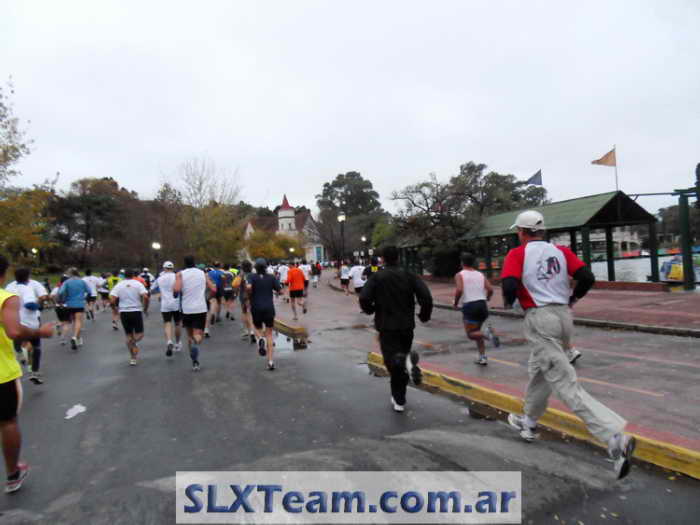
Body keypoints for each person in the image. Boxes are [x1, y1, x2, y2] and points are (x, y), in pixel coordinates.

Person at [501, 210, 635, 479]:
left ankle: (613, 438)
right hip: (563, 317)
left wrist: (511, 303)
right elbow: (587, 277)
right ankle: (529, 422)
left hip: (540, 318)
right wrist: (573, 298)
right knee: (541, 371)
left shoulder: (517, 254)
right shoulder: (561, 252)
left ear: (522, 232)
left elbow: (509, 284)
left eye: (518, 231)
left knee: (563, 381)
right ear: (542, 231)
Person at [0, 254, 54, 493]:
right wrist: (40, 332)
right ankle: (13, 474)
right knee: (7, 422)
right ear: (4, 273)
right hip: (2, 373)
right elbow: (13, 331)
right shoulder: (6, 298)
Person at [359, 246, 433, 413]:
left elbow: (364, 297)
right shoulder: (409, 275)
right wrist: (424, 315)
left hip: (386, 326)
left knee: (392, 362)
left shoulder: (377, 277)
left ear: (383, 259)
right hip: (406, 325)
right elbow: (426, 297)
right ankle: (400, 395)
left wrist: (371, 310)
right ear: (398, 258)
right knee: (401, 360)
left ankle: (399, 395)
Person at [453, 253, 499, 366]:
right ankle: (482, 357)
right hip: (482, 305)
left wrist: (455, 303)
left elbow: (459, 289)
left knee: (471, 334)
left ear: (462, 263)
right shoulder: (480, 274)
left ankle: (488, 334)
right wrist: (488, 298)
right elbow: (490, 289)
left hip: (470, 306)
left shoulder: (460, 275)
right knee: (477, 332)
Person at [6, 268, 49, 384]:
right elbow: (29, 304)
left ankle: (19, 352)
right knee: (36, 347)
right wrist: (38, 306)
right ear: (27, 277)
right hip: (30, 321)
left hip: (14, 320)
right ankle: (34, 372)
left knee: (19, 339)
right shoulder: (27, 288)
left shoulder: (9, 287)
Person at [174, 256, 216, 371]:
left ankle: (194, 362)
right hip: (200, 308)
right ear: (194, 263)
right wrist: (208, 297)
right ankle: (195, 342)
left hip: (186, 309)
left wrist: (176, 290)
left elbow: (176, 290)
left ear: (185, 263)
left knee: (189, 335)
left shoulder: (180, 274)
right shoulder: (202, 273)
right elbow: (213, 289)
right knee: (198, 335)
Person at [109, 269, 150, 366]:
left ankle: (133, 358)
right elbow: (146, 297)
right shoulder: (137, 284)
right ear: (133, 275)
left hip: (124, 312)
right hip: (136, 311)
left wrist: (114, 309)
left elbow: (112, 300)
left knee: (128, 335)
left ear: (124, 275)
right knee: (140, 334)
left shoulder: (119, 285)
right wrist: (145, 308)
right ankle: (133, 343)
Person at [247, 258, 281, 370]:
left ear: (255, 268)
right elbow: (280, 290)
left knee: (257, 328)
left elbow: (249, 287)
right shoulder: (271, 277)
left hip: (256, 307)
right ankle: (270, 362)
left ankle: (261, 339)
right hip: (269, 308)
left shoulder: (251, 276)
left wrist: (249, 293)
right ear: (266, 267)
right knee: (270, 334)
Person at [152, 261, 182, 356]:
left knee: (167, 323)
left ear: (164, 268)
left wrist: (160, 293)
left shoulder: (160, 278)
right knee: (177, 323)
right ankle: (177, 343)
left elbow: (151, 289)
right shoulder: (177, 277)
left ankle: (169, 341)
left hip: (165, 304)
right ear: (172, 268)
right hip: (176, 303)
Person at [58, 268, 90, 350]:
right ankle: (75, 337)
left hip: (69, 304)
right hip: (79, 304)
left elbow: (60, 292)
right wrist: (84, 297)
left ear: (70, 274)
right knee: (78, 321)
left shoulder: (67, 282)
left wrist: (63, 299)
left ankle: (78, 339)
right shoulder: (82, 281)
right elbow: (89, 291)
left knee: (73, 322)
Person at [237, 260, 255, 343]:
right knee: (251, 313)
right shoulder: (253, 275)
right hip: (252, 296)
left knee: (245, 313)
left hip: (243, 296)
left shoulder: (241, 275)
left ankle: (247, 331)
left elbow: (235, 284)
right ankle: (252, 331)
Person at [51, 276, 71, 345]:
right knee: (66, 323)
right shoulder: (68, 288)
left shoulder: (57, 288)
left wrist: (55, 303)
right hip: (66, 306)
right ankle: (63, 338)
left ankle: (58, 325)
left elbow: (51, 296)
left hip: (57, 307)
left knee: (62, 320)